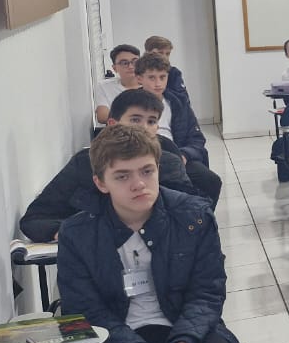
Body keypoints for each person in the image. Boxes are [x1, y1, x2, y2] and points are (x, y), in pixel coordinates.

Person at [55, 124, 267, 343]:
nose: (139, 184)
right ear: (101, 182)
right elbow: (85, 312)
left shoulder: (193, 216)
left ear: (158, 168)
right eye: (122, 176)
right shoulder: (77, 233)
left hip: (182, 326)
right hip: (108, 340)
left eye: (147, 171)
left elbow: (207, 292)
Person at [21, 90, 198, 243]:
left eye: (151, 121)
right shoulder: (85, 163)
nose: (144, 128)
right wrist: (72, 233)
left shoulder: (169, 161)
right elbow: (34, 220)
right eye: (135, 120)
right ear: (112, 124)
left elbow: (191, 214)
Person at [134, 53, 222, 206]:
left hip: (178, 155)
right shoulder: (129, 104)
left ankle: (200, 217)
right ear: (139, 78)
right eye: (152, 77)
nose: (158, 83)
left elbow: (197, 138)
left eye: (162, 77)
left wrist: (185, 155)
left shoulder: (178, 103)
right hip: (141, 158)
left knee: (211, 181)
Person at [94, 45, 142, 124]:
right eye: (124, 63)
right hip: (119, 130)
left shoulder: (150, 84)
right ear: (114, 68)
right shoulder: (105, 86)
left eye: (135, 62)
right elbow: (102, 116)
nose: (130, 66)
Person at [145, 36, 191, 109]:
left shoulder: (173, 73)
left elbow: (183, 98)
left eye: (167, 54)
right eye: (160, 53)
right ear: (148, 53)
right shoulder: (140, 71)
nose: (164, 57)